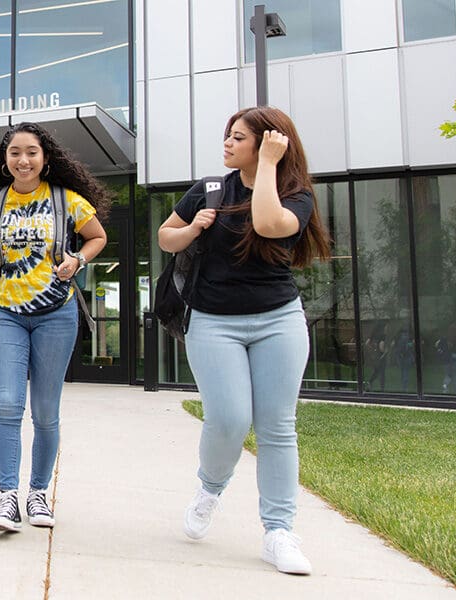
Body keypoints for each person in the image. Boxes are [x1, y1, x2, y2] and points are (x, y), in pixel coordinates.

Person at [158, 106, 330, 575]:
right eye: (227, 136)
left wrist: (270, 168)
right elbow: (165, 237)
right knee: (229, 419)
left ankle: (279, 531)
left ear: (267, 144)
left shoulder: (295, 195)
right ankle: (209, 489)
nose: (227, 144)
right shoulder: (210, 189)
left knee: (277, 426)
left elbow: (270, 226)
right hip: (213, 322)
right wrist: (194, 227)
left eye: (238, 138)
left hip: (278, 321)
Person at [0, 122, 110, 532]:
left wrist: (78, 260)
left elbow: (96, 237)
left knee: (46, 412)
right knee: (9, 405)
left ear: (45, 158)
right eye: (15, 152)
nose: (23, 160)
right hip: (4, 310)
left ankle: (38, 494)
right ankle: (8, 498)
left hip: (56, 313)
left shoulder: (68, 201)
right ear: (5, 159)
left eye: (31, 152)